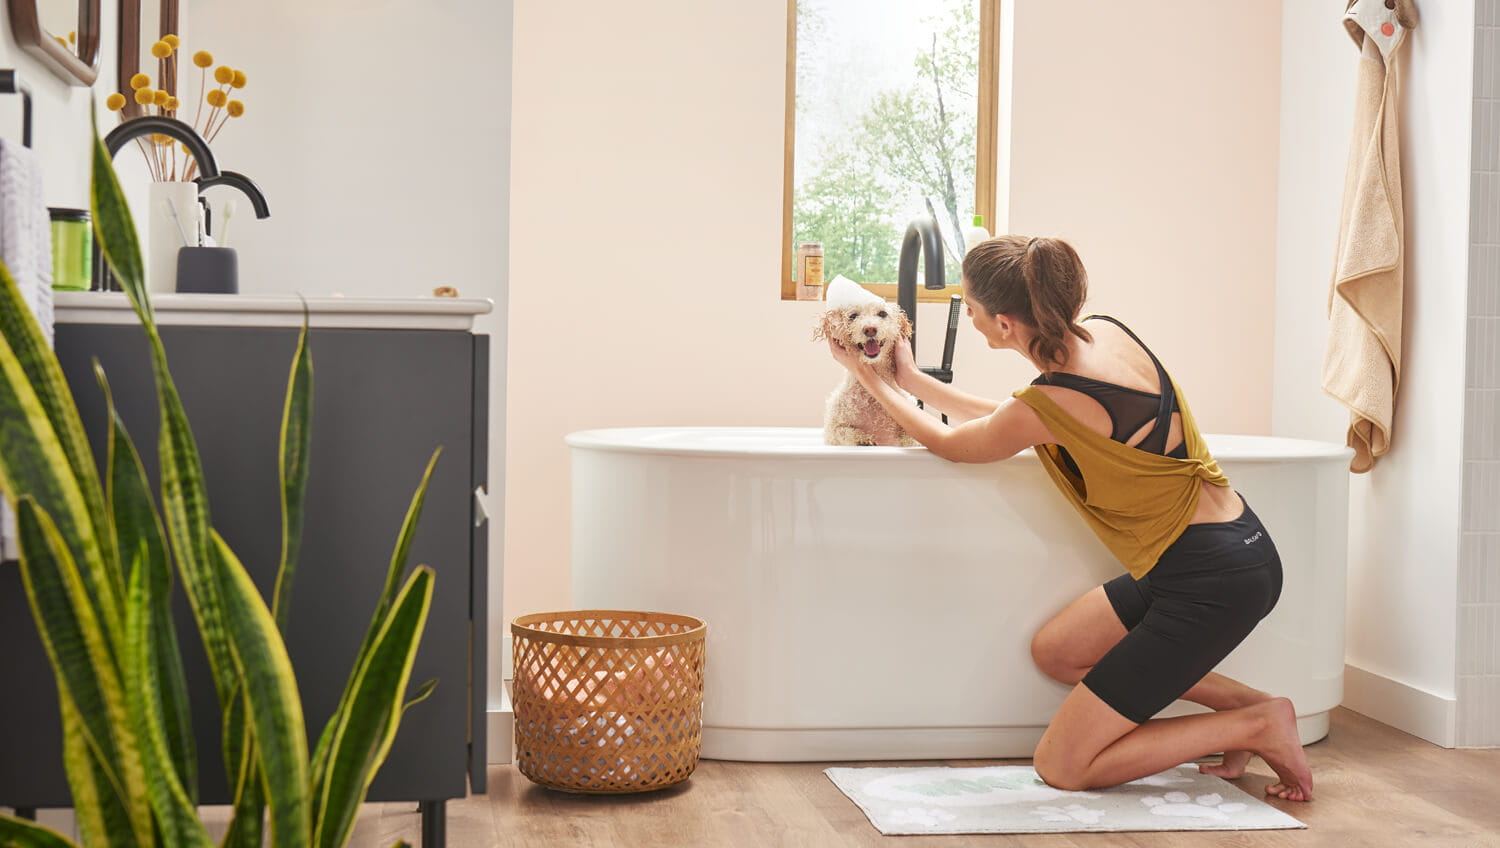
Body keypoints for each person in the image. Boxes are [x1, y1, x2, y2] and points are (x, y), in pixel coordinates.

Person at [825, 234, 1313, 802]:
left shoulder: (1053, 399)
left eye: (973, 307)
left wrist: (864, 375)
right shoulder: (1106, 333)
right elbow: (1018, 420)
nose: (972, 317)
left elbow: (955, 443)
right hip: (1228, 549)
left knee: (1063, 765)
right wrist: (905, 379)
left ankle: (1256, 725)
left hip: (1211, 580)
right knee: (1058, 651)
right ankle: (1247, 706)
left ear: (1005, 324)